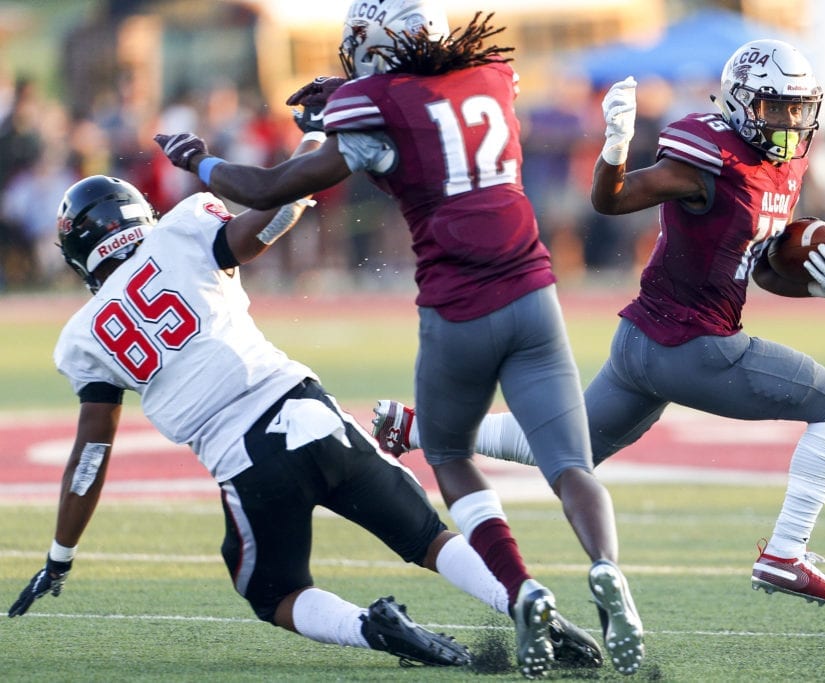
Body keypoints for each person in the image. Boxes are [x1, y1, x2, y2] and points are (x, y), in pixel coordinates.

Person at [151, 5, 643, 678]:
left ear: (375, 54)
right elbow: (422, 109)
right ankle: (607, 565)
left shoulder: (374, 102)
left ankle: (523, 586)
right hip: (535, 295)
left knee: (446, 451)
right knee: (571, 462)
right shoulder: (492, 75)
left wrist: (199, 162)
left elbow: (268, 186)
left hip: (459, 311)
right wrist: (348, 101)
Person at [7, 143, 601, 669]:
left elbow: (92, 454)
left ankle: (371, 628)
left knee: (271, 592)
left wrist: (61, 554)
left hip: (245, 458)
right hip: (308, 409)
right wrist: (315, 144)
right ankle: (523, 600)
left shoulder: (83, 336)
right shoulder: (183, 228)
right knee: (426, 536)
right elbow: (282, 213)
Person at [373, 39, 825, 608]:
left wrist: (823, 285)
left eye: (799, 108)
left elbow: (760, 266)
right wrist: (616, 146)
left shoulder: (785, 164)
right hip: (692, 347)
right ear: (741, 103)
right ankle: (784, 555)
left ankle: (411, 427)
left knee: (565, 450)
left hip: (643, 344)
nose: (790, 122)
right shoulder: (710, 158)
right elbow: (613, 200)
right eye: (777, 108)